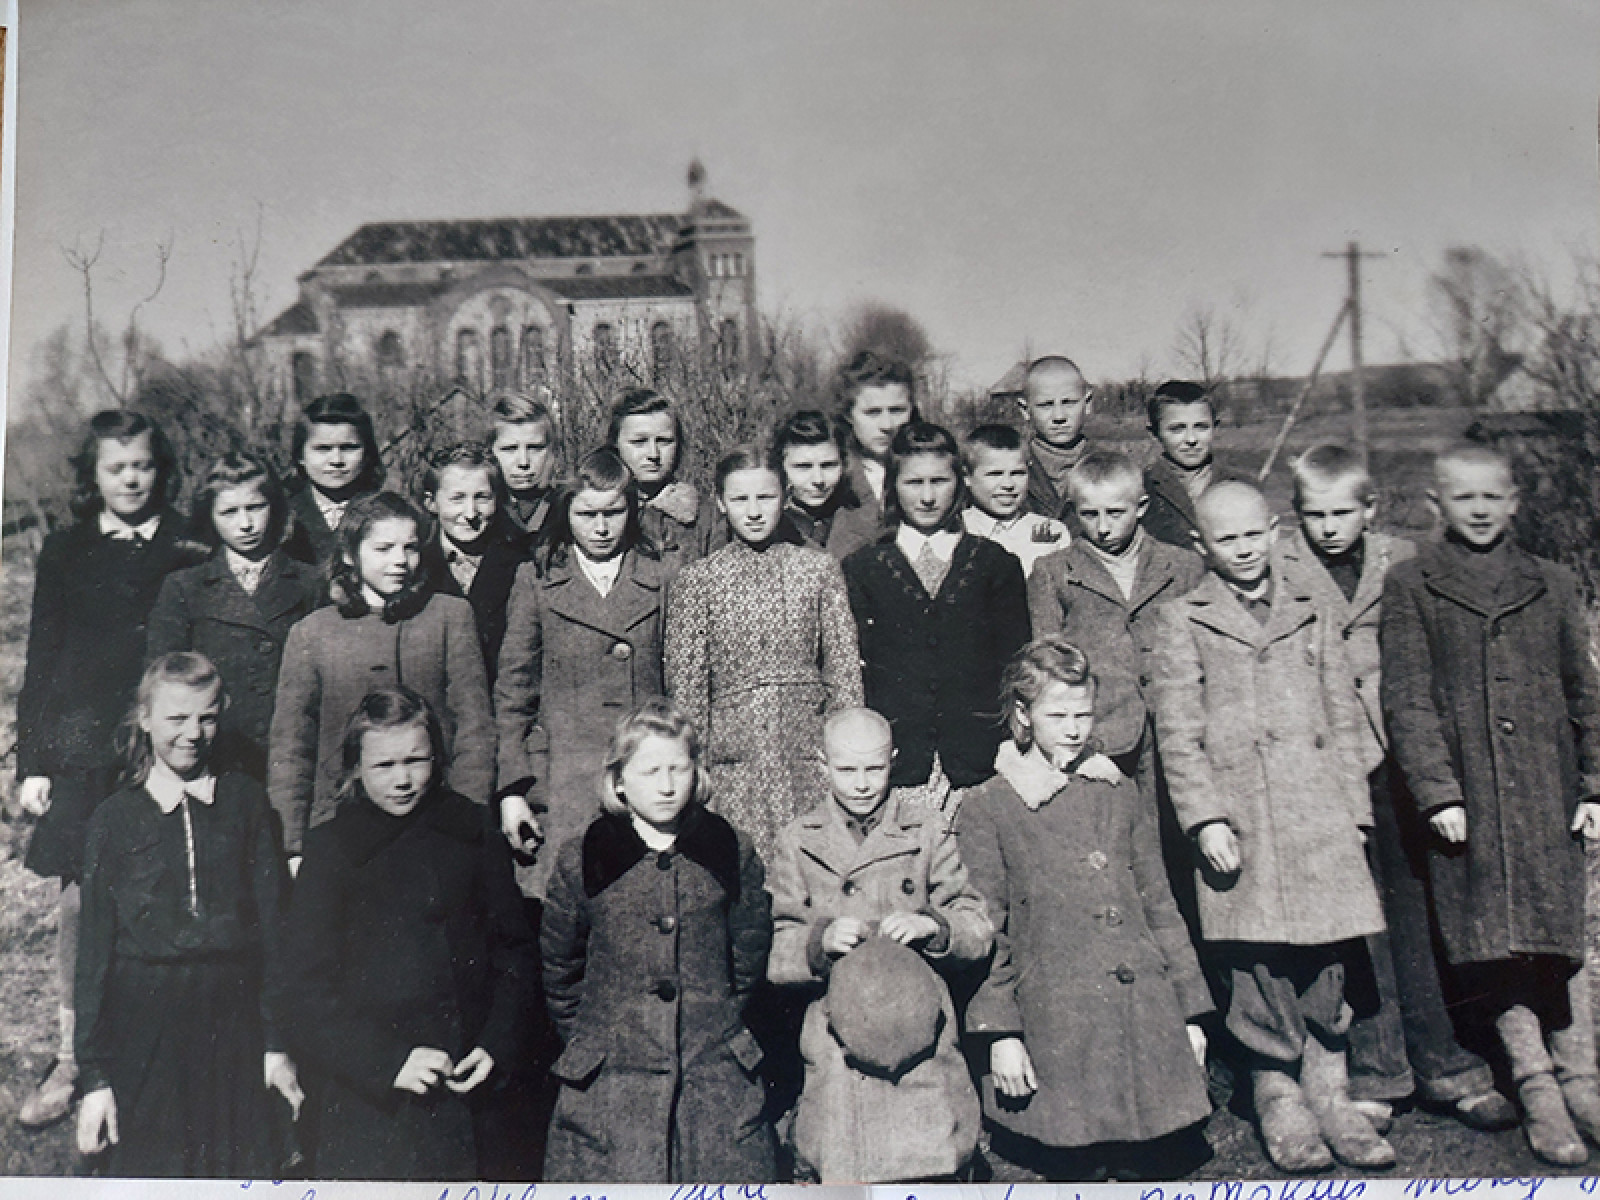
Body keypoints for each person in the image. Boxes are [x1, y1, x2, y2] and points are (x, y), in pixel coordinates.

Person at [1151, 481, 1393, 1172]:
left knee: (1328, 955)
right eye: (1225, 539)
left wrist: (1354, 811)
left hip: (1317, 813)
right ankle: (1278, 1093)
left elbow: (1343, 715)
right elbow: (1178, 734)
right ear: (1200, 545)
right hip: (1243, 819)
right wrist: (1205, 821)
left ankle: (1330, 1090)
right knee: (1258, 963)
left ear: (1276, 531)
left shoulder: (1313, 606)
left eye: (1253, 534)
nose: (1243, 549)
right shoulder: (1184, 618)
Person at [1382, 442, 1600, 1166]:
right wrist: (1438, 791)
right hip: (1469, 801)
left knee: (1557, 935)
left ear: (1513, 503)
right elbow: (1407, 701)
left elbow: (1586, 693)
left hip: (1545, 794)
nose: (1478, 509)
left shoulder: (1554, 584)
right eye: (1462, 497)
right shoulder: (1412, 585)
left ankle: (1582, 1077)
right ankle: (1535, 1083)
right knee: (1492, 942)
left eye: (1490, 496)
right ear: (1436, 505)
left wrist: (1595, 784)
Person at [14, 409, 207, 1129]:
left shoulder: (188, 542)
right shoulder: (66, 550)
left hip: (167, 746)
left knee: (172, 891)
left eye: (143, 465)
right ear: (92, 477)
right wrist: (34, 762)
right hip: (82, 756)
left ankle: (166, 1050)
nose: (132, 479)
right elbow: (42, 657)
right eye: (116, 468)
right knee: (79, 904)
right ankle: (73, 1056)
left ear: (162, 470)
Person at [957, 638, 1212, 1180]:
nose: (1073, 729)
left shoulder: (1120, 792)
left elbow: (1160, 906)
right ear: (1023, 715)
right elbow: (988, 929)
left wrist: (1189, 1013)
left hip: (1141, 1017)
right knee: (1081, 1168)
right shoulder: (990, 805)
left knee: (1151, 1168)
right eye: (1057, 716)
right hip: (1060, 1031)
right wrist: (1001, 1034)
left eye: (1083, 714)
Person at [283, 687, 537, 1180]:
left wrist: (496, 1044)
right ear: (356, 768)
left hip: (473, 1095)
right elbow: (302, 991)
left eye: (416, 761)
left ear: (436, 758)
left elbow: (516, 952)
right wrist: (388, 1063)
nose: (402, 780)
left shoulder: (472, 830)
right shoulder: (332, 850)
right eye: (384, 766)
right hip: (373, 1110)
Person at [74, 652, 300, 1176]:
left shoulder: (246, 802)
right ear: (145, 718)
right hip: (146, 1030)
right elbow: (94, 955)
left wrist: (276, 1045)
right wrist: (95, 1078)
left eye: (207, 717)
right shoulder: (113, 819)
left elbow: (274, 931)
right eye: (177, 718)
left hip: (233, 1023)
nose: (193, 734)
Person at [540, 701, 776, 1182]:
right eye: (650, 771)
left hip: (712, 1084)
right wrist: (596, 1043)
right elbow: (561, 969)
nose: (667, 786)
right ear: (619, 781)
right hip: (609, 1090)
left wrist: (714, 1024)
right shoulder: (584, 858)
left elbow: (747, 955)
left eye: (678, 769)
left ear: (696, 773)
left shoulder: (728, 851)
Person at [766, 707, 992, 1182]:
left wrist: (933, 927)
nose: (862, 783)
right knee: (850, 1168)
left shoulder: (926, 829)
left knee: (930, 1165)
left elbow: (977, 926)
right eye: (847, 770)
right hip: (839, 1037)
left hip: (920, 1032)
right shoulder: (797, 840)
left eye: (874, 768)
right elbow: (774, 948)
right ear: (822, 764)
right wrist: (819, 942)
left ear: (893, 759)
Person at [1278, 444, 1425, 1131]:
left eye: (1343, 513)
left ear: (1371, 508)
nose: (1330, 527)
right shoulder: (1282, 564)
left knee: (1413, 905)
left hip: (1399, 751)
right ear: (1296, 514)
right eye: (1315, 515)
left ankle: (1440, 1055)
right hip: (1328, 759)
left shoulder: (1403, 560)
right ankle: (1376, 1065)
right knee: (1356, 920)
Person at [1028, 450, 1208, 949]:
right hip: (1106, 742)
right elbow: (1048, 663)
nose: (1103, 526)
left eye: (1116, 512)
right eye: (1090, 514)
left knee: (1186, 858)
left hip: (1178, 735)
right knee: (1126, 857)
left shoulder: (1184, 566)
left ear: (1142, 506)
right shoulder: (1054, 571)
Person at [269, 491, 494, 867]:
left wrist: (469, 818)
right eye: (383, 548)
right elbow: (292, 747)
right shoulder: (313, 633)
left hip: (437, 822)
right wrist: (293, 844)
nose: (400, 561)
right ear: (349, 555)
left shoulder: (449, 617)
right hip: (343, 827)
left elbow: (474, 726)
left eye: (410, 548)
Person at [666, 446, 863, 863]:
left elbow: (844, 670)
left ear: (785, 496)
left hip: (807, 757)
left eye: (766, 497)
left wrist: (847, 753)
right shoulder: (698, 579)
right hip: (734, 766)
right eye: (740, 499)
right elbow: (687, 689)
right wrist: (696, 766)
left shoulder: (818, 569)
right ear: (721, 503)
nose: (754, 512)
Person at [495, 447, 672, 900]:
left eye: (613, 512)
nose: (601, 527)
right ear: (566, 513)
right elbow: (514, 694)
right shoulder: (537, 579)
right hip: (564, 780)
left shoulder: (663, 575)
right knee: (568, 906)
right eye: (587, 514)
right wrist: (512, 791)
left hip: (646, 776)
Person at [843, 422, 1031, 812]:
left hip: (981, 760)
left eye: (939, 481)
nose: (928, 497)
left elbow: (1016, 665)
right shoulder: (862, 568)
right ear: (893, 486)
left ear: (959, 483)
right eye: (914, 483)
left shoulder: (996, 564)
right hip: (897, 764)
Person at [147, 452, 321, 781]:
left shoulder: (310, 582)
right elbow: (163, 677)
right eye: (229, 512)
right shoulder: (185, 587)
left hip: (293, 751)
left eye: (255, 507)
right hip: (216, 753)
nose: (245, 524)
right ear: (209, 516)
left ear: (274, 507)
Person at [415, 442, 527, 687]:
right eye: (457, 499)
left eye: (482, 498)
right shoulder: (414, 566)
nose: (470, 513)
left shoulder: (521, 563)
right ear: (431, 503)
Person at [607, 386, 720, 561]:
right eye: (639, 442)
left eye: (664, 441)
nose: (653, 454)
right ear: (615, 444)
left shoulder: (708, 517)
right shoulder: (594, 512)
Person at [281, 393, 385, 566]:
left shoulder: (384, 512)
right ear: (300, 456)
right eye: (323, 449)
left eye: (348, 448)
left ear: (367, 454)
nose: (336, 460)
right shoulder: (281, 514)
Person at [959, 424, 1069, 578]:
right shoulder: (957, 529)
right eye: (995, 474)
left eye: (1018, 473)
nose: (1008, 484)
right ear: (966, 476)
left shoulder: (1052, 530)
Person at [772, 408, 881, 561]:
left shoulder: (863, 522)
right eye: (803, 467)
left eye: (828, 465)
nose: (818, 480)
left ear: (844, 466)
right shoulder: (767, 526)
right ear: (779, 468)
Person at [831, 349, 917, 531]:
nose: (887, 425)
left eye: (897, 410)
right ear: (848, 415)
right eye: (873, 412)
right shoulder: (832, 476)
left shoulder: (939, 470)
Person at [1141, 380, 1233, 549]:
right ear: (1154, 433)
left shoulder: (1240, 485)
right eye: (1177, 429)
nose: (1191, 439)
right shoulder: (1142, 489)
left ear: (1215, 428)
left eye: (1201, 427)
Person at [1019, 356, 1095, 521]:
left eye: (1069, 403)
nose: (1059, 416)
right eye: (1046, 405)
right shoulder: (1012, 469)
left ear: (1087, 403)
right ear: (1025, 410)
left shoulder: (1112, 466)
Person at [486, 389, 559, 551]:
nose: (524, 462)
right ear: (490, 452)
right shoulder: (478, 515)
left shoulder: (567, 512)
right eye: (510, 449)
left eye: (535, 448)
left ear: (551, 451)